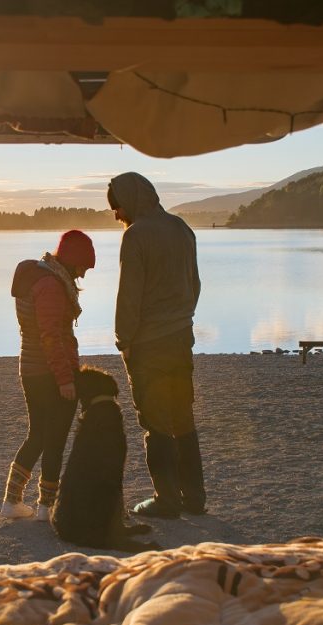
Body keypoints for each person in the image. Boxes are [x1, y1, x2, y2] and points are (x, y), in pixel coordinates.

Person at [108, 172, 206, 519]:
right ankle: (194, 497)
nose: (116, 215)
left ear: (130, 202)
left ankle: (166, 499)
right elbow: (194, 284)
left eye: (116, 207)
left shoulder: (136, 237)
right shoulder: (182, 228)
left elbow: (129, 294)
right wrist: (184, 318)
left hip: (148, 343)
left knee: (155, 420)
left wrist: (124, 339)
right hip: (181, 338)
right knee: (183, 416)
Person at [0, 229, 95, 520]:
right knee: (54, 438)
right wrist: (65, 378)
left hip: (31, 367)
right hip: (50, 371)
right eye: (82, 267)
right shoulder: (52, 286)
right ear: (71, 261)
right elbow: (51, 335)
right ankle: (46, 507)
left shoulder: (38, 278)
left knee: (38, 435)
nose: (83, 275)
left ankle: (12, 502)